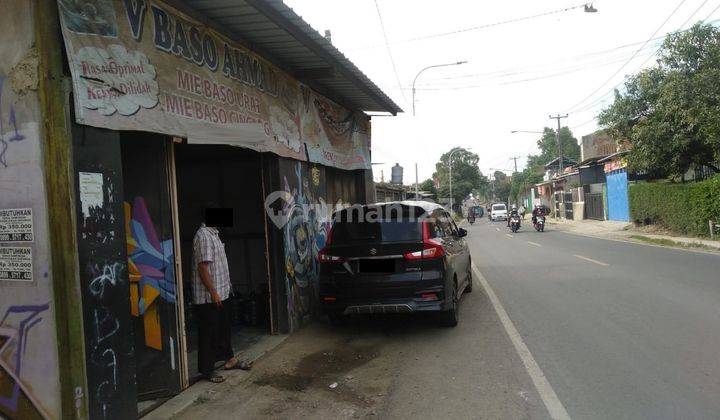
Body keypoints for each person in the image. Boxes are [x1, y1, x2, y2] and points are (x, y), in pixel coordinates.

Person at [192, 214, 249, 383]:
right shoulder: (203, 235)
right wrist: (213, 292)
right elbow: (203, 268)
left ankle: (230, 359)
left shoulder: (214, 234)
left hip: (222, 292)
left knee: (223, 328)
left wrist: (225, 290)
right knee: (209, 332)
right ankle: (207, 371)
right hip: (208, 297)